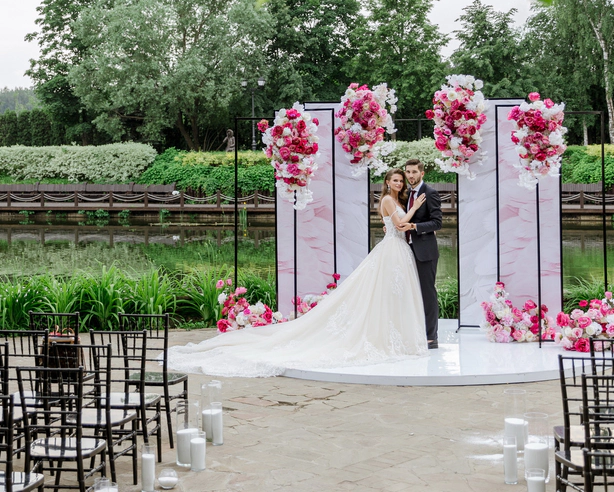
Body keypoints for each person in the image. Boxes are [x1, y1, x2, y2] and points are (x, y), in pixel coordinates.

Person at [164, 166, 430, 377]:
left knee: (391, 295)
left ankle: (396, 336)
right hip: (391, 249)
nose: (399, 183)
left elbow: (397, 224)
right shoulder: (388, 199)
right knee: (383, 292)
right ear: (387, 182)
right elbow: (400, 224)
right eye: (396, 180)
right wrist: (415, 210)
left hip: (396, 250)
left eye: (401, 181)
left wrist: (407, 215)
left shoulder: (396, 200)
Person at [393, 158, 443, 348]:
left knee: (427, 293)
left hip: (425, 251)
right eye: (408, 172)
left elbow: (437, 222)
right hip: (406, 249)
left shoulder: (430, 193)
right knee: (409, 292)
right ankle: (414, 332)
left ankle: (431, 337)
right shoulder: (406, 194)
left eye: (414, 172)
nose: (410, 175)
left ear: (422, 173)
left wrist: (414, 226)